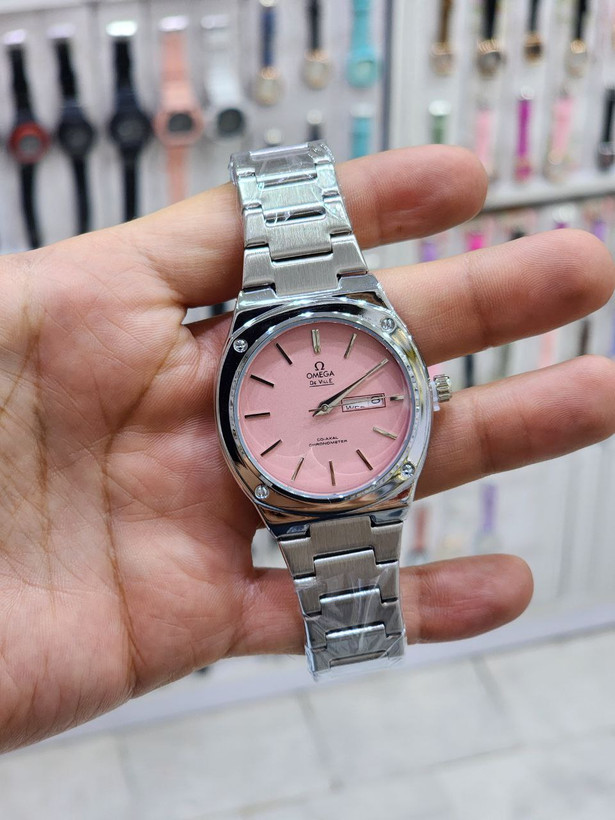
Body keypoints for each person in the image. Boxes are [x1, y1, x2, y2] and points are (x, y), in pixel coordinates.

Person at [0, 145, 613, 754]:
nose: (324, 411)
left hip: (348, 474)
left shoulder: (385, 367)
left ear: (427, 394)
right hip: (303, 478)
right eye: (323, 408)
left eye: (334, 404)